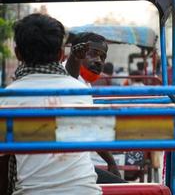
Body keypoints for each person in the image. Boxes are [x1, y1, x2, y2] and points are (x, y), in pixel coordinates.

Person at [0, 13, 101, 195]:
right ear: (61, 54)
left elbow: (3, 164)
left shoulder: (7, 99)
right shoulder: (82, 92)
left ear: (17, 53)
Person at [65, 32, 124, 183]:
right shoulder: (67, 77)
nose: (98, 61)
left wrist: (110, 162)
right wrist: (111, 162)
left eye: (102, 57)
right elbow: (69, 77)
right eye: (92, 54)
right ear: (77, 52)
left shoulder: (85, 82)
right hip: (69, 168)